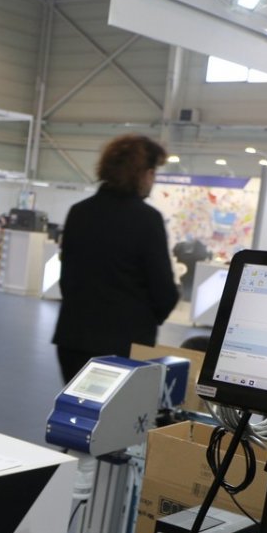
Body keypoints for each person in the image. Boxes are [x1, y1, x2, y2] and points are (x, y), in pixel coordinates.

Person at [51, 134, 180, 384]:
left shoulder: (78, 212)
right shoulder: (147, 219)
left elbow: (67, 279)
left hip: (73, 339)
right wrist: (145, 319)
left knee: (76, 408)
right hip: (124, 343)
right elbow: (163, 290)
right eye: (153, 172)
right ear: (143, 173)